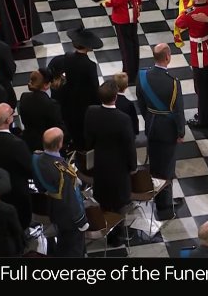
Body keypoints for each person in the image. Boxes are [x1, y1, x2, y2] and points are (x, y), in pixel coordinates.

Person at [136, 44, 185, 220]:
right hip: (167, 130)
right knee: (167, 169)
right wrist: (181, 132)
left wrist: (149, 118)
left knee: (155, 164)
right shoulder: (172, 82)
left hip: (151, 125)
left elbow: (140, 102)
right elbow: (178, 111)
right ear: (167, 57)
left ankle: (160, 198)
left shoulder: (142, 75)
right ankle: (164, 208)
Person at [31, 127, 89, 257]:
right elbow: (71, 199)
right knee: (73, 248)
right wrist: (81, 221)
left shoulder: (36, 157)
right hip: (69, 216)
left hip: (53, 207)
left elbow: (39, 181)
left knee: (63, 240)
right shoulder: (63, 172)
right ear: (59, 144)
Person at [82, 81, 137, 215]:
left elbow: (88, 139)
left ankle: (106, 226)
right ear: (116, 97)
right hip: (119, 168)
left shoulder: (91, 111)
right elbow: (129, 146)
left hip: (100, 163)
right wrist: (133, 166)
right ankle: (119, 232)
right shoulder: (123, 119)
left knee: (104, 200)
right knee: (119, 204)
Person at [175, 0, 208, 129]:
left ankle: (204, 119)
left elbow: (179, 22)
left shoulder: (192, 13)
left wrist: (188, 9)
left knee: (201, 88)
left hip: (201, 53)